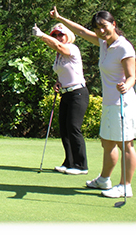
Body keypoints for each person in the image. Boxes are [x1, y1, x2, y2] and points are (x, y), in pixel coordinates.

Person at [50, 6, 136, 198]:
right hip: (109, 102)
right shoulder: (104, 44)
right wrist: (60, 18)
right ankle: (104, 179)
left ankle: (126, 185)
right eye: (97, 27)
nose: (100, 31)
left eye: (104, 26)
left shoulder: (124, 47)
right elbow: (81, 31)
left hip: (123, 102)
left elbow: (132, 76)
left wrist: (127, 85)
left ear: (113, 24)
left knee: (125, 144)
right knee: (107, 143)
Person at [32, 23, 89, 175]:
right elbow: (62, 72)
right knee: (64, 129)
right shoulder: (58, 56)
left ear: (67, 36)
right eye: (55, 35)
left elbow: (60, 47)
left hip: (78, 93)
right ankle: (69, 162)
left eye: (60, 35)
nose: (58, 38)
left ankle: (81, 165)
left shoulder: (71, 48)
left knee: (73, 128)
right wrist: (58, 82)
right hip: (66, 93)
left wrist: (42, 35)